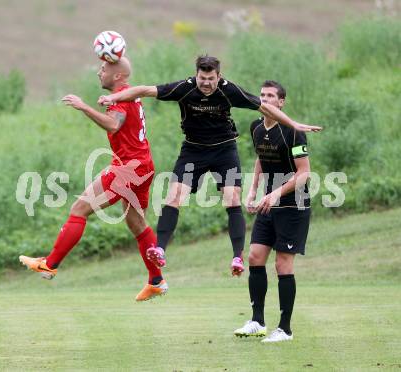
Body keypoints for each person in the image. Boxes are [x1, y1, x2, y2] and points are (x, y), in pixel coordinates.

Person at [98, 56, 320, 276]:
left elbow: (264, 108)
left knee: (232, 198)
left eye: (210, 78)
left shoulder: (228, 89)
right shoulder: (184, 88)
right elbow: (144, 90)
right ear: (196, 75)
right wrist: (114, 98)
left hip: (224, 150)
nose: (206, 83)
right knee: (174, 196)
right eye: (202, 78)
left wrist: (292, 124)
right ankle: (160, 249)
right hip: (193, 150)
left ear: (218, 77)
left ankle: (237, 257)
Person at [19, 57, 168, 302]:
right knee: (137, 224)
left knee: (79, 209)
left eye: (104, 68)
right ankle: (156, 281)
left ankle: (50, 264)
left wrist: (83, 106)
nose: (99, 72)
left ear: (118, 76)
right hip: (143, 165)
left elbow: (113, 125)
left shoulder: (121, 96)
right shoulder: (126, 95)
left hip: (127, 168)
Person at [233, 80, 311, 342]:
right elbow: (260, 159)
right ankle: (257, 321)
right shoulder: (256, 127)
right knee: (255, 256)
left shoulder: (292, 132)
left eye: (270, 96)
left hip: (293, 204)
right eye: (262, 95)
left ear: (281, 102)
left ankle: (285, 329)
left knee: (282, 263)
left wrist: (277, 192)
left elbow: (304, 173)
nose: (264, 99)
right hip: (269, 201)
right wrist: (252, 191)